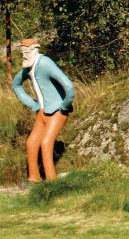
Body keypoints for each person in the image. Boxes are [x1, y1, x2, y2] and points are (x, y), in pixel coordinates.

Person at [12, 38, 75, 183]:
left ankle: (52, 183)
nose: (24, 55)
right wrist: (33, 104)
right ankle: (34, 179)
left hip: (56, 112)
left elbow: (69, 86)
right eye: (22, 52)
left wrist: (64, 107)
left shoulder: (45, 63)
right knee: (31, 144)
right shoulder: (27, 67)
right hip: (42, 112)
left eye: (27, 51)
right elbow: (16, 85)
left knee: (46, 143)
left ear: (35, 50)